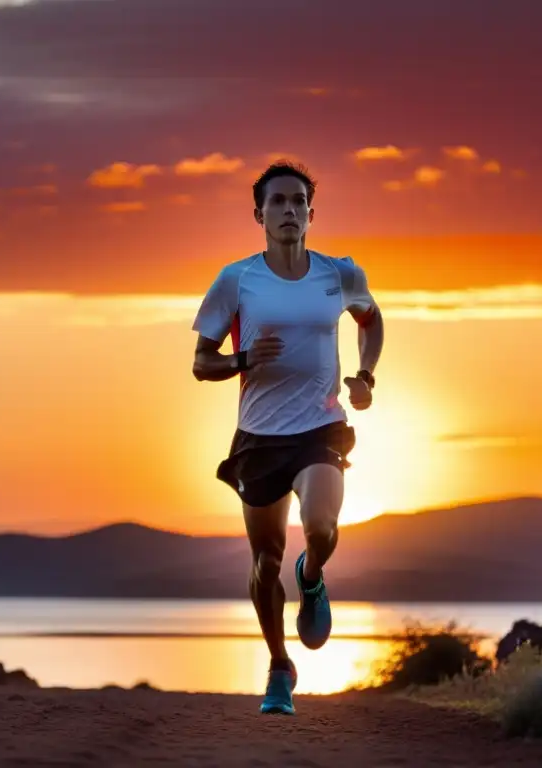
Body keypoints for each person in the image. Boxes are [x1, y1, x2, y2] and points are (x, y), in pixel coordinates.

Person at [190, 161, 385, 715]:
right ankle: (279, 666)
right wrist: (244, 359)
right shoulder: (236, 280)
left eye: (298, 201)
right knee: (265, 562)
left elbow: (371, 320)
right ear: (259, 215)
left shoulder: (339, 274)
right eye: (277, 202)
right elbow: (202, 363)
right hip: (259, 438)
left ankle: (313, 576)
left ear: (311, 214)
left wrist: (365, 377)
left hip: (320, 427)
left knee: (321, 528)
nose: (289, 210)